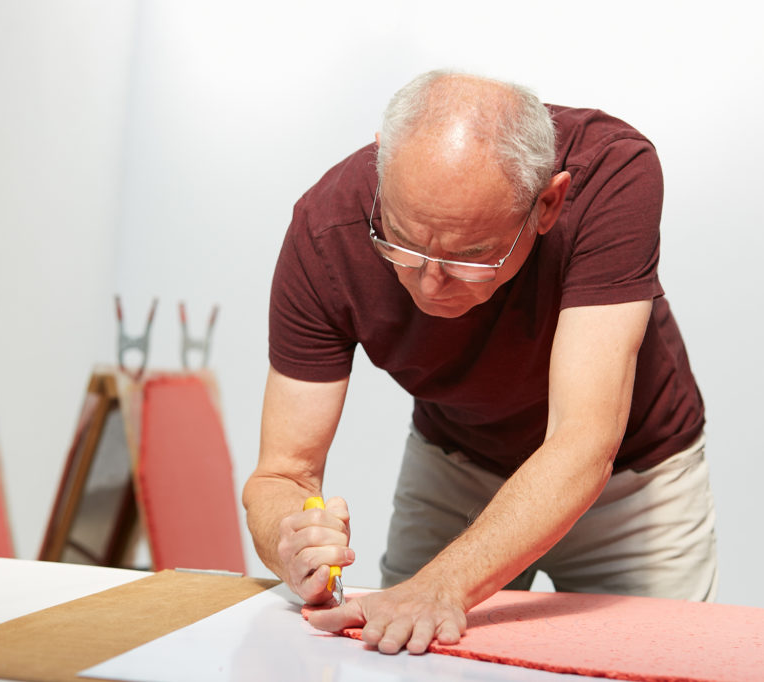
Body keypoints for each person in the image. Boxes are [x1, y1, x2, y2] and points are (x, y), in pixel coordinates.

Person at [241, 70, 717, 655]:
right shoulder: (325, 231)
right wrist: (287, 538)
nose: (429, 281)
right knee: (404, 655)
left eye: (471, 255)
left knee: (659, 663)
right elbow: (282, 473)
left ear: (548, 204)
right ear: (382, 170)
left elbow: (583, 439)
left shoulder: (613, 172)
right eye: (403, 240)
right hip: (457, 464)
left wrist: (441, 584)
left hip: (632, 480)